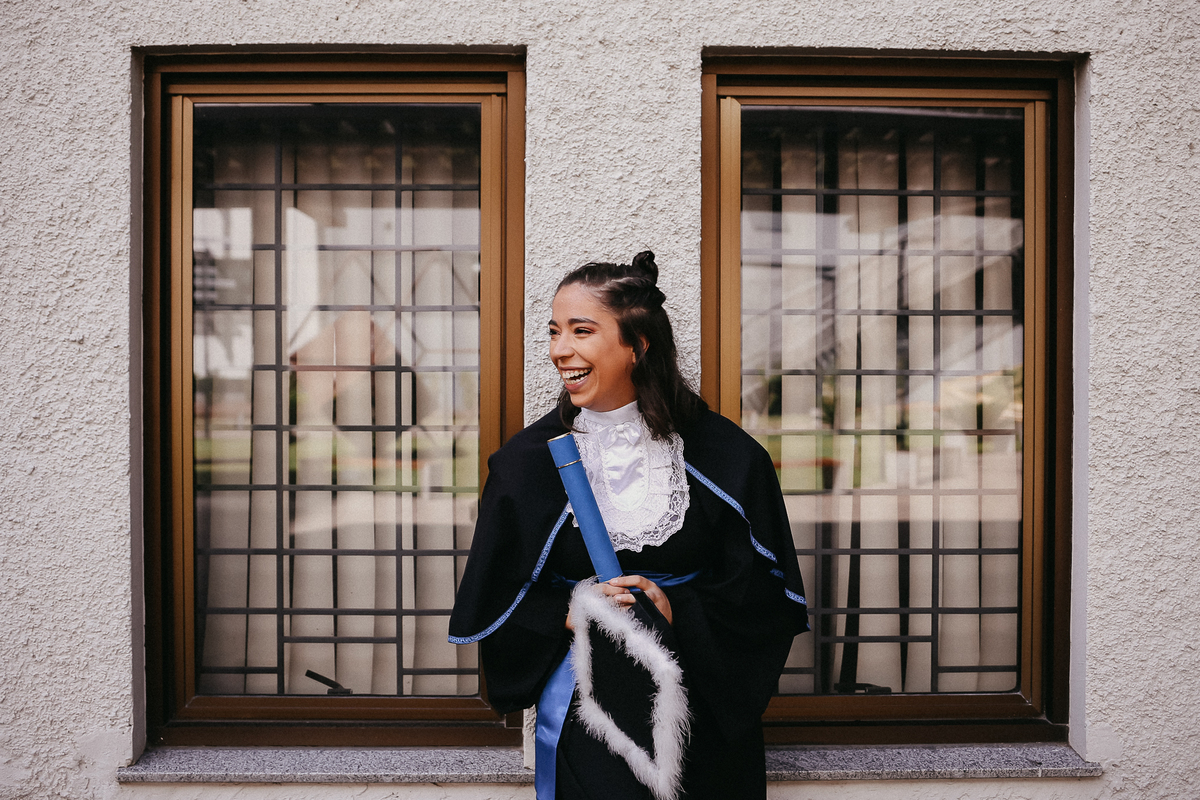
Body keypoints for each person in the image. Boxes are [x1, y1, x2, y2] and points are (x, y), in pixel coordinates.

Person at [448, 251, 809, 800]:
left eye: (581, 330)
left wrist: (677, 608)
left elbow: (765, 599)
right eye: (554, 331)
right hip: (590, 714)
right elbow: (493, 597)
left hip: (703, 709)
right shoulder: (525, 464)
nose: (558, 350)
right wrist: (565, 612)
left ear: (637, 345)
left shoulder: (729, 458)